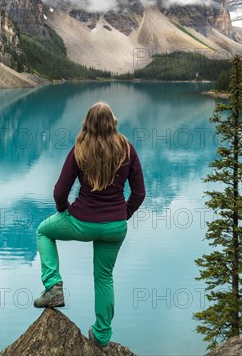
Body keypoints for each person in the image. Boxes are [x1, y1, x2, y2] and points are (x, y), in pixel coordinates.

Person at [34, 101, 146, 350]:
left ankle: (53, 286)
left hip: (81, 222)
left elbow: (59, 192)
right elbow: (139, 192)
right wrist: (123, 214)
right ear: (113, 122)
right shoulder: (127, 149)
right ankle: (102, 338)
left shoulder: (79, 149)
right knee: (104, 277)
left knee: (43, 231)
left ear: (88, 123)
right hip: (115, 226)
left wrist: (65, 212)